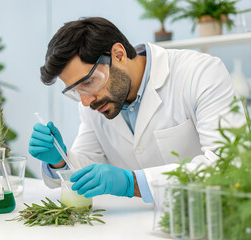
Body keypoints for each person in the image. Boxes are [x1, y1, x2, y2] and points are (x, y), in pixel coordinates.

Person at [28, 17, 245, 202]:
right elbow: (87, 168)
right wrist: (59, 160)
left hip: (207, 218)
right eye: (75, 91)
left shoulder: (200, 73)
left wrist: (133, 183)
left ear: (119, 54)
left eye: (88, 82)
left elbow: (228, 164)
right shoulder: (94, 102)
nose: (85, 101)